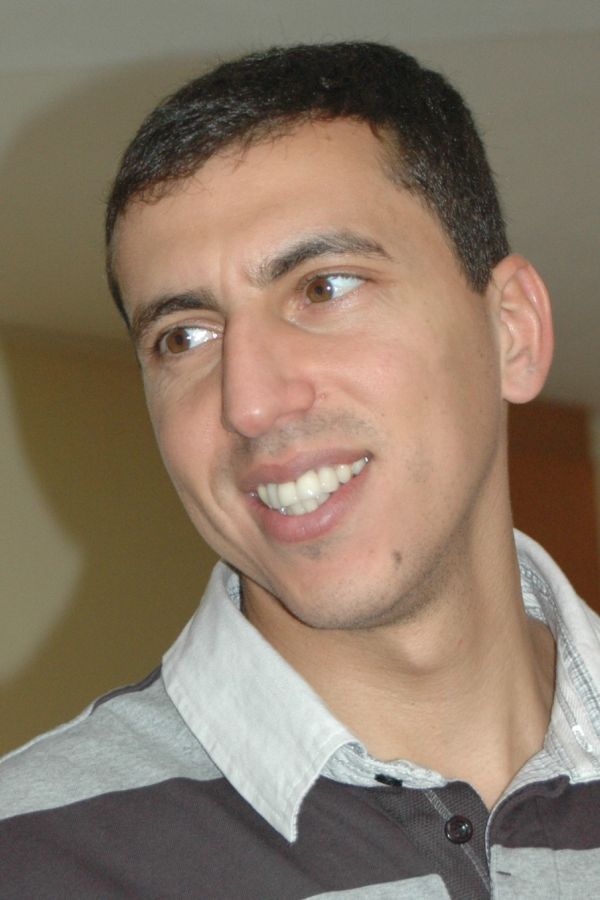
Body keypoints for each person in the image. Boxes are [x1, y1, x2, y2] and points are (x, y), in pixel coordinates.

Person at [1, 41, 598, 899]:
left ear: (512, 331)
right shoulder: (32, 857)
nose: (248, 403)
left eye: (324, 288)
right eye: (184, 337)